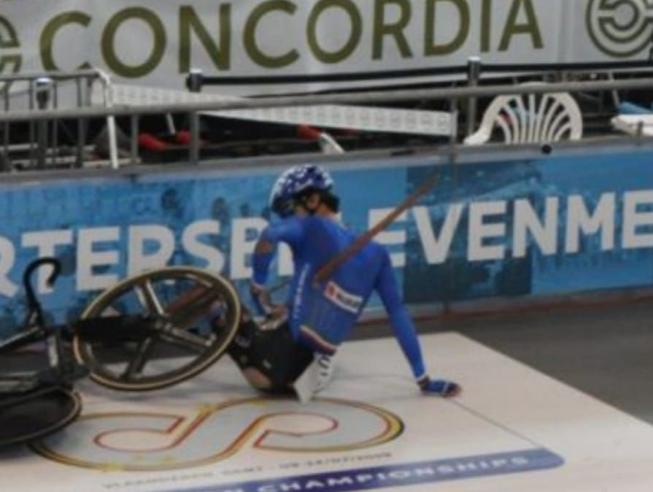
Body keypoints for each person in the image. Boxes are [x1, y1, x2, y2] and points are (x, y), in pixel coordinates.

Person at [226, 164, 461, 399]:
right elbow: (398, 314)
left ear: (313, 201)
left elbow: (268, 235)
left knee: (219, 303)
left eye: (290, 209)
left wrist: (257, 284)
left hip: (273, 362)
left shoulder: (310, 225)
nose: (288, 218)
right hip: (308, 379)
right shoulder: (378, 254)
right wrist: (423, 379)